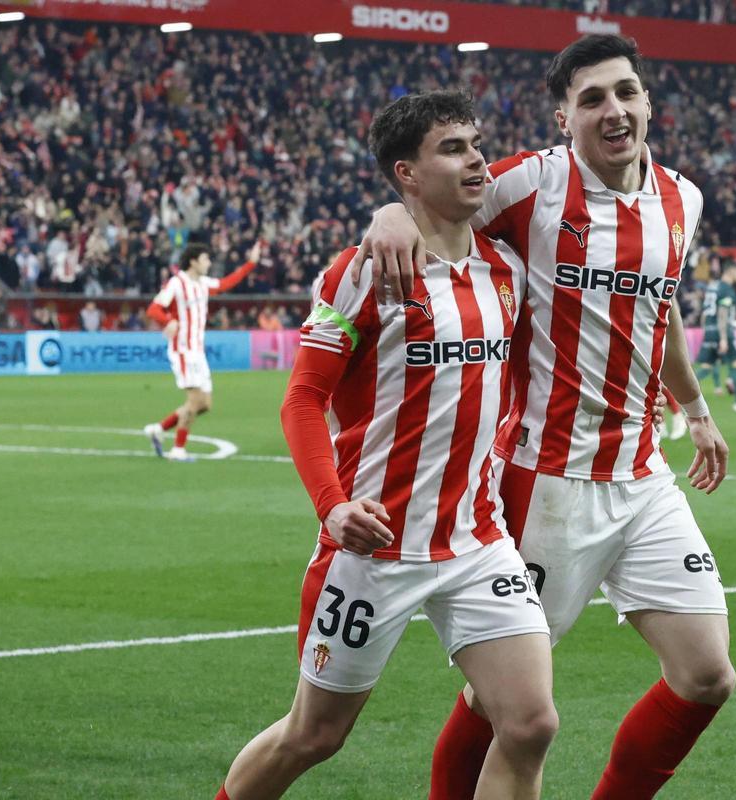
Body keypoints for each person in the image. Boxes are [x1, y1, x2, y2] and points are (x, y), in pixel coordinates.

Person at [359, 35, 733, 800]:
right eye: (591, 99)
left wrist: (695, 409)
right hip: (545, 484)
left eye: (625, 92)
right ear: (564, 118)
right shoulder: (526, 185)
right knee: (505, 710)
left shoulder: (681, 200)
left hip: (642, 476)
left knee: (706, 676)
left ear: (648, 102)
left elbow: (656, 315)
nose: (613, 110)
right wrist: (390, 213)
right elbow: (433, 193)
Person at [212, 91, 555, 800]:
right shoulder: (361, 271)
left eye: (477, 143)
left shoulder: (507, 271)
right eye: (453, 148)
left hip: (475, 541)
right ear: (406, 173)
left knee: (529, 724)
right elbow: (302, 398)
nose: (477, 159)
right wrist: (333, 509)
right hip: (374, 547)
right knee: (314, 736)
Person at [142, 241, 260, 461]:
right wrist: (167, 320)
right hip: (183, 350)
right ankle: (178, 449)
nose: (209, 262)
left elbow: (226, 283)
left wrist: (250, 263)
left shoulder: (203, 283)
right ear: (194, 261)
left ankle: (158, 429)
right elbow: (153, 308)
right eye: (206, 259)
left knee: (204, 404)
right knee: (195, 400)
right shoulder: (177, 283)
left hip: (198, 351)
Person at [697, 259, 736, 412]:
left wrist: (707, 331)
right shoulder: (726, 290)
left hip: (710, 331)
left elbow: (705, 314)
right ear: (731, 271)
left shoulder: (713, 287)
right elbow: (723, 315)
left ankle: (674, 393)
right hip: (721, 332)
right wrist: (723, 338)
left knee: (706, 367)